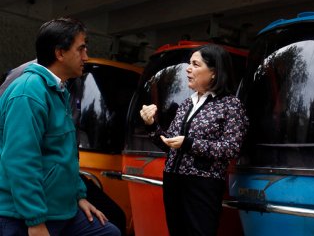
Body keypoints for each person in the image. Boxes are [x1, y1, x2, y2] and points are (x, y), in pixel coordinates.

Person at [0, 18, 121, 236]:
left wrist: (79, 196)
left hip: (61, 210)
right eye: (81, 49)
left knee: (109, 232)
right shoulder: (29, 92)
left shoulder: (57, 89)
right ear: (60, 53)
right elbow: (20, 160)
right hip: (24, 216)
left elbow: (63, 154)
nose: (86, 56)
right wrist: (35, 221)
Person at [140, 44, 249, 236]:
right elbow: (169, 144)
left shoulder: (230, 105)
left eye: (195, 64)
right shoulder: (186, 104)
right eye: (189, 64)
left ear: (214, 72)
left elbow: (232, 148)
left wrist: (189, 143)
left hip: (202, 184)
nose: (188, 69)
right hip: (173, 179)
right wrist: (150, 124)